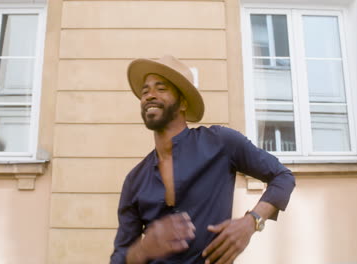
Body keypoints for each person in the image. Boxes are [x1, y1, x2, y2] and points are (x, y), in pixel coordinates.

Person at [110, 55, 295, 264]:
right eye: (145, 91)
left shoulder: (221, 142)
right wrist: (142, 249)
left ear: (183, 103)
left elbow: (283, 177)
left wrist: (251, 222)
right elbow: (119, 258)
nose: (150, 96)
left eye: (161, 89)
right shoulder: (134, 180)